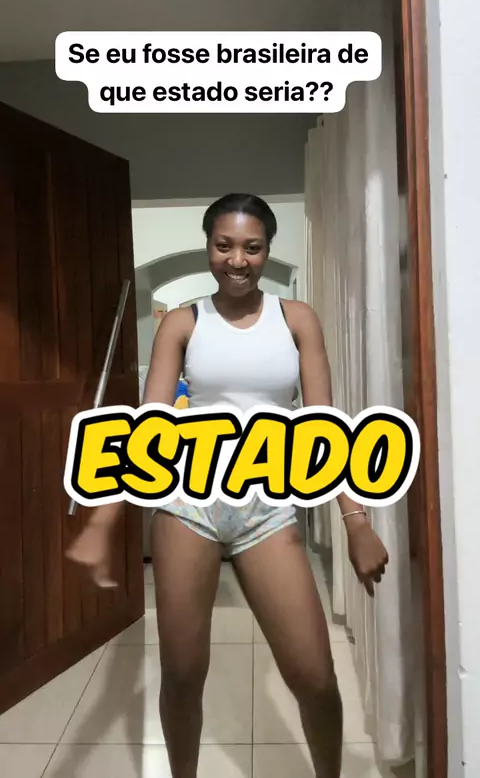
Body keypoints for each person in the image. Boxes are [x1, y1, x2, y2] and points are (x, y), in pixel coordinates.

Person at [66, 193, 389, 778]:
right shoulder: (183, 322)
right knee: (183, 675)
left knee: (316, 679)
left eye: (252, 247)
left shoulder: (297, 319)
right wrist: (102, 520)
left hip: (268, 510)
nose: (237, 260)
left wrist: (356, 521)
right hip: (187, 507)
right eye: (224, 246)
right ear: (208, 246)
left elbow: (326, 424)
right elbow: (147, 428)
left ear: (267, 250)